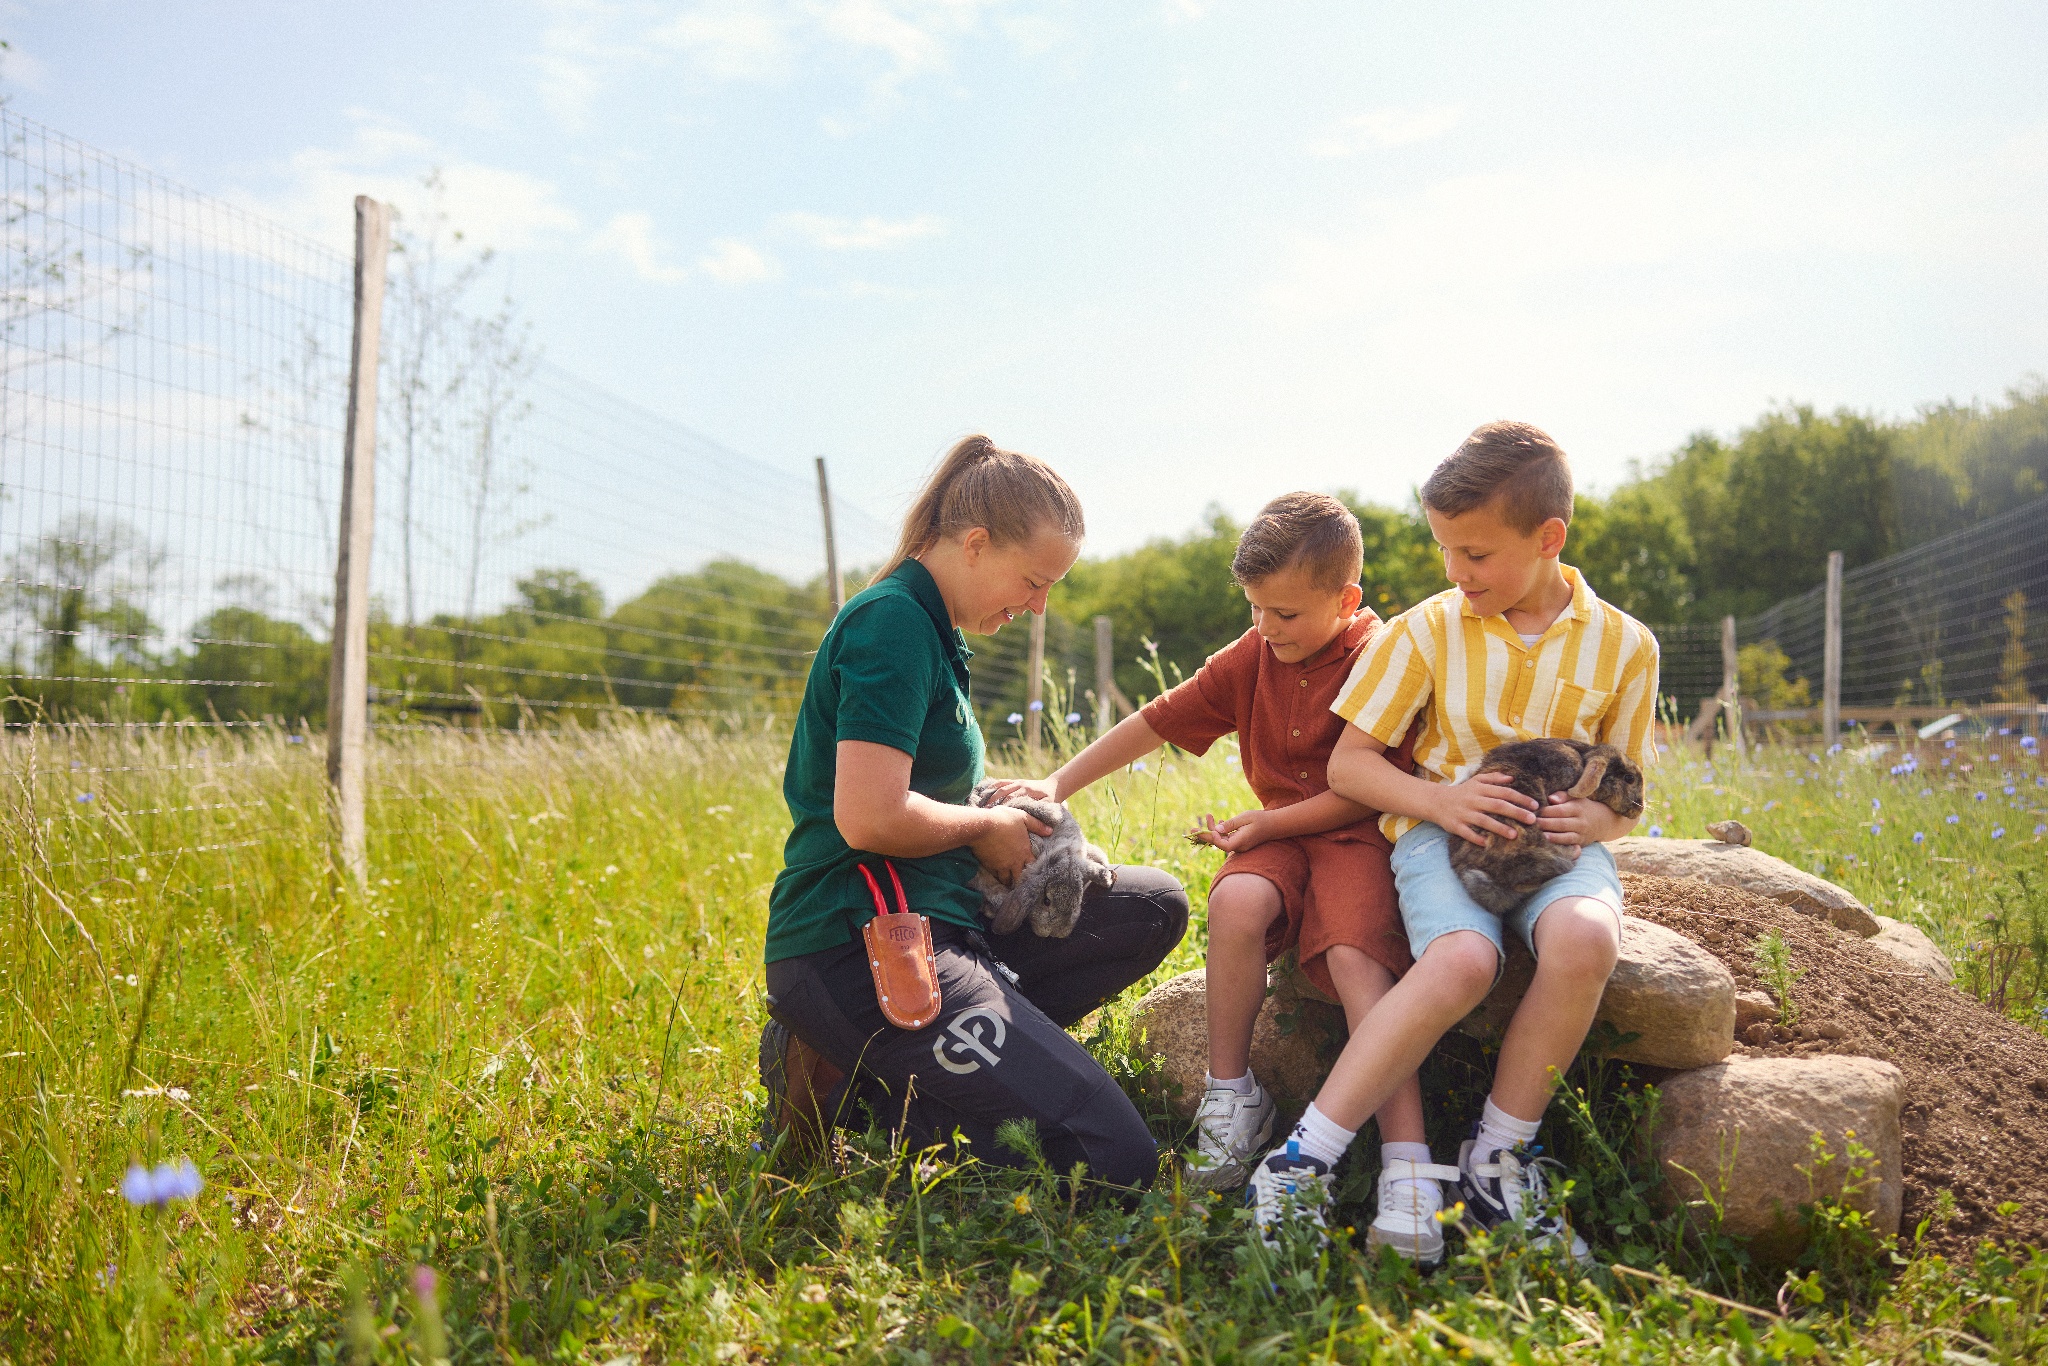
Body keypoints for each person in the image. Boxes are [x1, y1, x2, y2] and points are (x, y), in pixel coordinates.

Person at [994, 493, 1444, 1262]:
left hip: (1358, 839)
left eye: (1287, 615)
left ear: (1347, 600)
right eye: (1258, 610)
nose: (1268, 629)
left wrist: (1268, 824)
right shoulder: (1256, 652)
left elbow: (1368, 785)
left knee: (1355, 963)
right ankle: (1233, 1097)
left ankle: (1410, 1160)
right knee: (1235, 897)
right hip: (1277, 836)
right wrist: (1057, 785)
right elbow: (1158, 719)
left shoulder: (1383, 655)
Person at [1252, 421, 1659, 1258]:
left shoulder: (1626, 644)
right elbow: (1353, 769)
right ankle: (1303, 1157)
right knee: (1465, 962)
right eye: (1444, 549)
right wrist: (1440, 803)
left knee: (1585, 939)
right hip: (1440, 839)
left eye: (1474, 554)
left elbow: (1627, 788)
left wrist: (1600, 822)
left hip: (1557, 853)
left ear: (1549, 540)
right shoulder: (1427, 630)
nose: (1454, 572)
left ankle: (1497, 1167)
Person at [758, 435, 1189, 1191]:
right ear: (977, 544)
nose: (1038, 605)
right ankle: (853, 1078)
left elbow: (920, 785)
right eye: (1033, 580)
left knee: (1152, 905)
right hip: (858, 945)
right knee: (1115, 1163)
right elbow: (867, 817)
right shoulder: (890, 624)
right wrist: (985, 828)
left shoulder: (936, 633)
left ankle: (888, 1069)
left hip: (951, 924)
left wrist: (994, 800)